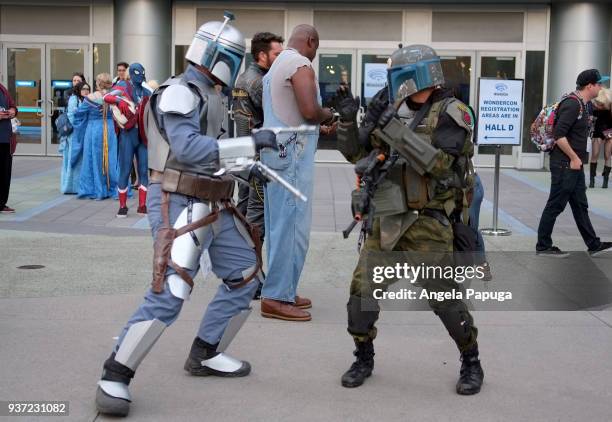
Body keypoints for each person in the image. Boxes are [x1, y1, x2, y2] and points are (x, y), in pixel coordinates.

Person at [94, 13, 277, 417]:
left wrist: (251, 161)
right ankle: (115, 374)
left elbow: (212, 152)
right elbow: (190, 149)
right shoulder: (178, 91)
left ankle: (206, 352)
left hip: (214, 198)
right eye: (231, 56)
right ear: (214, 55)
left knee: (247, 276)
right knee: (171, 290)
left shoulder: (211, 91)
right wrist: (249, 144)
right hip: (177, 196)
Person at [334, 44, 484, 394]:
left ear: (420, 75)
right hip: (386, 219)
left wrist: (394, 130)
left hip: (429, 222)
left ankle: (471, 359)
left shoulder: (452, 112)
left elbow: (444, 168)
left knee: (444, 299)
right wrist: (347, 120)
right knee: (361, 293)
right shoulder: (391, 109)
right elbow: (357, 154)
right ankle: (363, 355)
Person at [259, 24, 336, 322]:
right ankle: (276, 297)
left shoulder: (278, 64)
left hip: (276, 154)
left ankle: (283, 290)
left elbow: (293, 111)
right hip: (290, 157)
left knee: (280, 227)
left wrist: (317, 122)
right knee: (293, 229)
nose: (315, 55)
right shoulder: (300, 64)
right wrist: (326, 114)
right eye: (316, 48)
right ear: (311, 41)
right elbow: (308, 109)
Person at [536, 69, 612, 257]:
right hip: (565, 165)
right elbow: (558, 135)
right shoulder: (572, 104)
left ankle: (593, 244)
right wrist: (574, 158)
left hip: (573, 166)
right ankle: (543, 246)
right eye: (599, 83)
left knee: (580, 205)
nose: (601, 87)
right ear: (590, 86)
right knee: (555, 205)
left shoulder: (584, 105)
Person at [233, 31, 284, 298]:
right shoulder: (261, 83)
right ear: (261, 55)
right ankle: (252, 279)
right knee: (256, 221)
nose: (280, 58)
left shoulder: (245, 78)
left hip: (244, 158)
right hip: (257, 161)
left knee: (243, 220)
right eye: (277, 54)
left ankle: (240, 275)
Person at [104, 62, 152, 217]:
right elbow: (107, 97)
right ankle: (122, 206)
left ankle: (142, 205)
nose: (140, 79)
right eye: (137, 75)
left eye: (141, 76)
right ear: (131, 74)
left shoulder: (147, 90)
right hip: (127, 134)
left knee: (144, 171)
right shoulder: (123, 86)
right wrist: (119, 101)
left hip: (143, 135)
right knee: (125, 170)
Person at [70, 73, 120, 200]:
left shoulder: (90, 97)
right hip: (110, 129)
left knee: (93, 158)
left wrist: (75, 112)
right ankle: (114, 187)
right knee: (111, 158)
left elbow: (79, 113)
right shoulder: (115, 96)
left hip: (94, 130)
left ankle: (97, 188)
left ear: (97, 83)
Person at [60, 80, 89, 194]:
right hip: (74, 134)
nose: (86, 91)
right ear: (79, 90)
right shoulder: (74, 99)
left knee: (82, 160)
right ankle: (71, 187)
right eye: (84, 89)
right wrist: (80, 127)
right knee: (74, 159)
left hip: (83, 133)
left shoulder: (86, 99)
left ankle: (80, 186)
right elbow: (71, 116)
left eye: (87, 89)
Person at [589, 88, 612, 188]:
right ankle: (592, 180)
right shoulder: (595, 104)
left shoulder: (610, 105)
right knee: (595, 154)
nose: (600, 106)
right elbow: (591, 118)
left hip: (609, 130)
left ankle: (605, 180)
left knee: (608, 155)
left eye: (602, 105)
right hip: (598, 131)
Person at [0, 81, 17, 214]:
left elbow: (12, 105)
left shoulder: (2, 88)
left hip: (5, 139)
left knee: (5, 173)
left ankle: (1, 203)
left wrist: (12, 111)